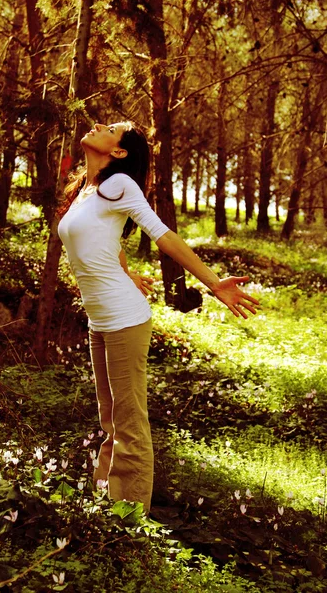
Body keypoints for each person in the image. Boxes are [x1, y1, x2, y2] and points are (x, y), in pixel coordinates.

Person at [58, 121, 259, 513]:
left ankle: (129, 520)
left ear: (119, 152)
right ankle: (103, 506)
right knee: (110, 421)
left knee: (129, 424)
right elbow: (104, 238)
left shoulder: (120, 185)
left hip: (123, 318)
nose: (98, 125)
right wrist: (125, 271)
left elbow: (163, 235)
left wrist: (215, 284)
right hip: (99, 319)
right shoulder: (86, 190)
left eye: (110, 128)